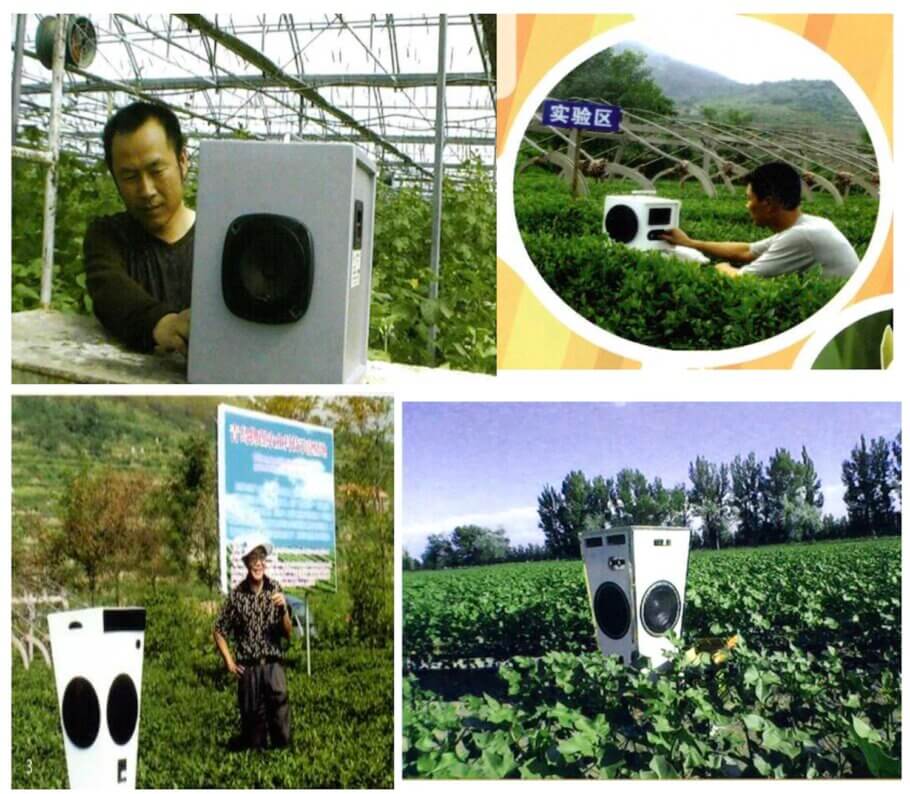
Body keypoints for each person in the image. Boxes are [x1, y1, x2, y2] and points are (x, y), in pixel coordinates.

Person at [84, 101, 195, 353]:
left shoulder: (219, 239)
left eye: (156, 171)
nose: (146, 191)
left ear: (182, 161)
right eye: (130, 177)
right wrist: (162, 323)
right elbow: (108, 289)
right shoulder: (109, 236)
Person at [660, 161, 859, 279]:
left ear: (769, 204)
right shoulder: (811, 224)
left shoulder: (802, 236)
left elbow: (742, 279)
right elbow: (746, 251)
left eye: (749, 199)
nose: (747, 206)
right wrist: (689, 243)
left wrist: (720, 268)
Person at [214, 534, 293, 750]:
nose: (258, 563)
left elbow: (288, 633)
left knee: (281, 724)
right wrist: (229, 663)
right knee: (252, 731)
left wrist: (283, 610)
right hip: (248, 670)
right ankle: (257, 772)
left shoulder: (275, 589)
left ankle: (284, 763)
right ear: (247, 562)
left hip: (273, 666)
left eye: (261, 558)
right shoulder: (237, 595)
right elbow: (219, 630)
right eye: (253, 558)